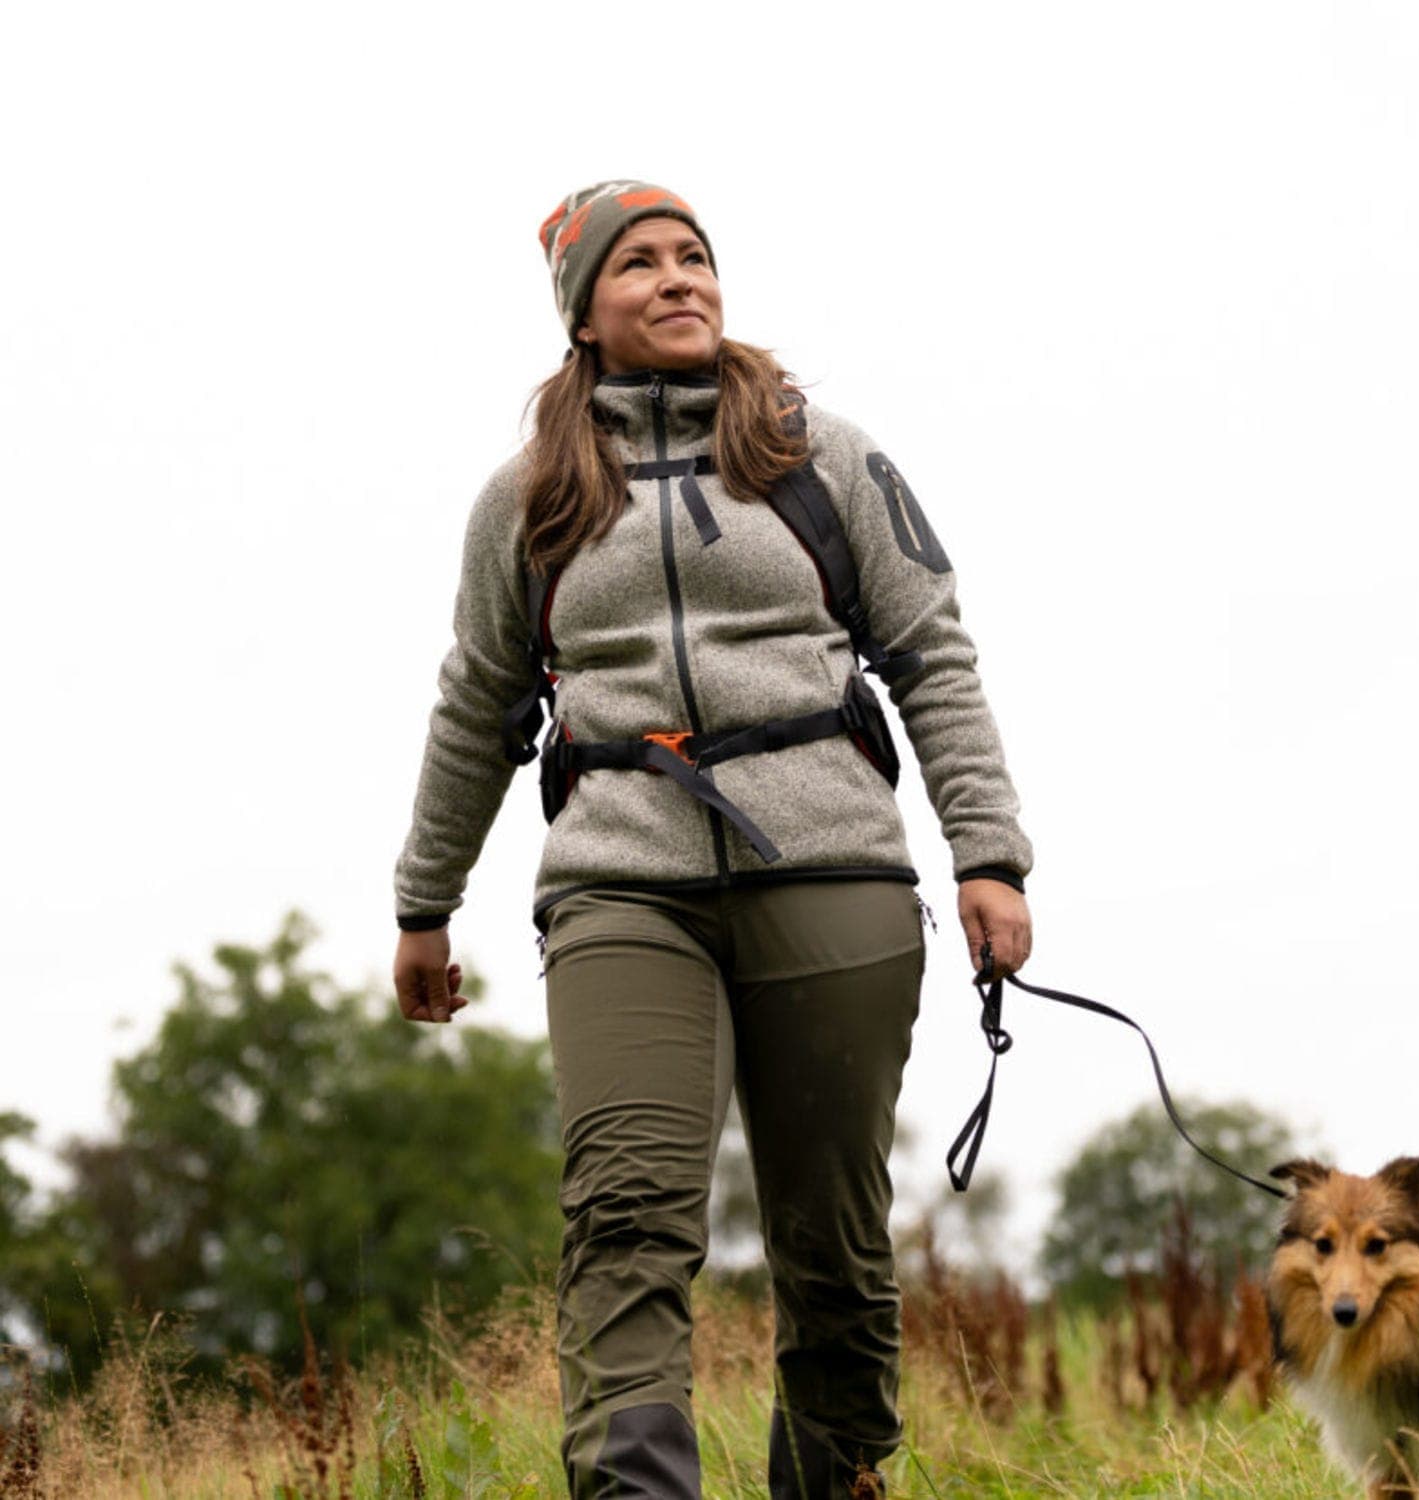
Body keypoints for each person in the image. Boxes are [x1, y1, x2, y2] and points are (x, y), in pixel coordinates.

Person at [390, 180, 1033, 1500]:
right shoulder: (526, 501)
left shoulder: (824, 457)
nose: (680, 279)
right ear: (584, 313)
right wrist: (423, 903)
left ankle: (837, 1477)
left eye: (696, 256)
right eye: (640, 264)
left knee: (831, 1237)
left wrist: (988, 852)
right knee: (624, 1211)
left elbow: (931, 655)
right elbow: (477, 702)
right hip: (622, 881)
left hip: (830, 866)